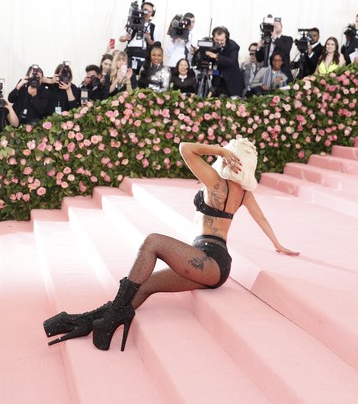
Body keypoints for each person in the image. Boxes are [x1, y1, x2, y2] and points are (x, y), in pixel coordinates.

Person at [42, 138, 298, 350]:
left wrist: (220, 150)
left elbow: (185, 148)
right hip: (213, 264)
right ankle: (81, 321)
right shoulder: (243, 192)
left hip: (210, 260)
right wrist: (277, 243)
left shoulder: (215, 182)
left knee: (152, 241)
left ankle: (109, 319)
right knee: (146, 285)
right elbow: (260, 217)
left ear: (230, 157)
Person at [204, 26, 245, 97]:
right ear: (213, 38)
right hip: (217, 80)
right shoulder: (210, 45)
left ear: (226, 38)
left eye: (221, 40)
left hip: (231, 82)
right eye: (217, 40)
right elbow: (213, 67)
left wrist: (216, 56)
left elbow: (232, 61)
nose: (219, 42)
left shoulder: (233, 46)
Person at [119, 2, 157, 74]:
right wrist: (125, 38)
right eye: (145, 10)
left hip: (144, 56)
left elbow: (156, 44)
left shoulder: (153, 27)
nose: (146, 13)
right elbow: (120, 38)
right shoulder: (132, 22)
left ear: (152, 13)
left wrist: (148, 38)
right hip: (130, 55)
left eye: (149, 11)